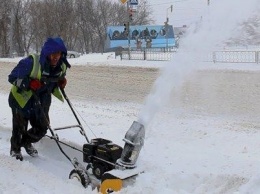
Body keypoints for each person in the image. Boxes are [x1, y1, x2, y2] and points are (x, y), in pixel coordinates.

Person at [8, 37, 71, 161]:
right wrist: (28, 83)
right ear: (47, 53)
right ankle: (15, 149)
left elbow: (56, 79)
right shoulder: (31, 62)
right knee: (20, 127)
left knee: (42, 127)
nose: (56, 57)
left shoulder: (61, 65)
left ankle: (25, 142)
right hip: (22, 100)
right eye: (53, 53)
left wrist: (60, 82)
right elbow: (12, 77)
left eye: (58, 53)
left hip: (41, 100)